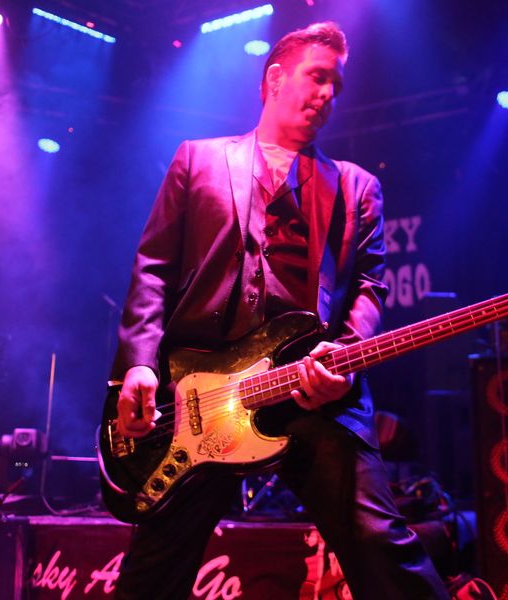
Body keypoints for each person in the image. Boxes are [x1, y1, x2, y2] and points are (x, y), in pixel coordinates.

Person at [110, 21, 449, 600]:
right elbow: (153, 268)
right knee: (153, 571)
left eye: (336, 86)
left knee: (378, 542)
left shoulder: (356, 188)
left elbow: (370, 287)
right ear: (274, 80)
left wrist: (343, 358)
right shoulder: (198, 160)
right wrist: (139, 363)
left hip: (310, 390)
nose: (328, 94)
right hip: (200, 397)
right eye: (317, 77)